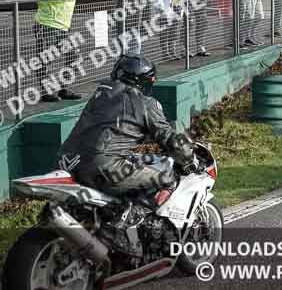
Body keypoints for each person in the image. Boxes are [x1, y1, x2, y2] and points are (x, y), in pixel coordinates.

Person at [56, 56, 194, 252]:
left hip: (67, 161)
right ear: (144, 80)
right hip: (102, 166)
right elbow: (168, 138)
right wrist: (188, 157)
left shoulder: (101, 93)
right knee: (167, 176)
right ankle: (117, 229)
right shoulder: (145, 102)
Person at [34, 0, 98, 102]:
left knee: (74, 57)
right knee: (46, 60)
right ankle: (46, 92)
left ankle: (64, 89)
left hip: (63, 27)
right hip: (46, 25)